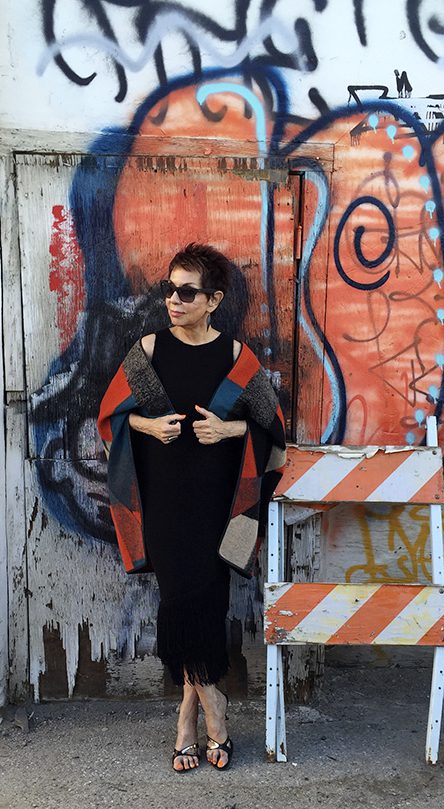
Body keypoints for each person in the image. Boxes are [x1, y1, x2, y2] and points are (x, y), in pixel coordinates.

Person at [98, 243, 286, 773]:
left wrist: (231, 428)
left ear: (214, 300)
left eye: (187, 293)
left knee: (207, 606)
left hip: (221, 507)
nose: (174, 301)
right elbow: (110, 418)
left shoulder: (235, 359)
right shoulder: (149, 351)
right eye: (169, 290)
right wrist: (148, 424)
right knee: (181, 603)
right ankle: (215, 716)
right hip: (163, 502)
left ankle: (187, 722)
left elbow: (274, 435)